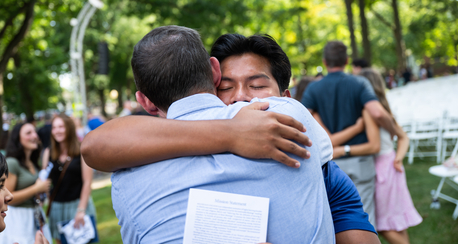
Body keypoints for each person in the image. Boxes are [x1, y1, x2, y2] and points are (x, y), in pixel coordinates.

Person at [83, 33, 380, 243]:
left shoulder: (305, 146)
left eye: (257, 85)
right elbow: (97, 145)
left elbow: (347, 215)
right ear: (213, 77)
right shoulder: (138, 158)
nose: (241, 100)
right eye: (227, 87)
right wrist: (232, 133)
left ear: (286, 99)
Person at [301, 41, 397, 228]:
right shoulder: (359, 82)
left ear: (324, 61)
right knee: (364, 220)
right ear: (346, 60)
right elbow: (377, 112)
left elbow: (302, 118)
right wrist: (393, 131)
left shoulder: (313, 89)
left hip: (327, 166)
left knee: (333, 221)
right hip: (361, 162)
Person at [360, 68, 422, 244]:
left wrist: (398, 159)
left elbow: (402, 137)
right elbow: (403, 138)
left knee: (380, 225)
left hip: (383, 170)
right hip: (391, 167)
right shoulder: (384, 111)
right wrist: (398, 158)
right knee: (397, 223)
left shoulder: (373, 112)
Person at [0, 124, 53, 244]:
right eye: (28, 133)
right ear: (18, 138)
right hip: (19, 220)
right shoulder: (12, 163)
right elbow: (7, 198)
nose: (34, 136)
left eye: (34, 132)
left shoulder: (32, 162)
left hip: (36, 215)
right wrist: (36, 188)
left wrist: (40, 192)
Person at [47, 114, 96, 244]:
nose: (57, 130)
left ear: (69, 128)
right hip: (57, 207)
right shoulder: (48, 153)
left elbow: (87, 182)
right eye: (54, 127)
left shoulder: (82, 149)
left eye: (61, 127)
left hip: (78, 205)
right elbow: (46, 181)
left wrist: (81, 210)